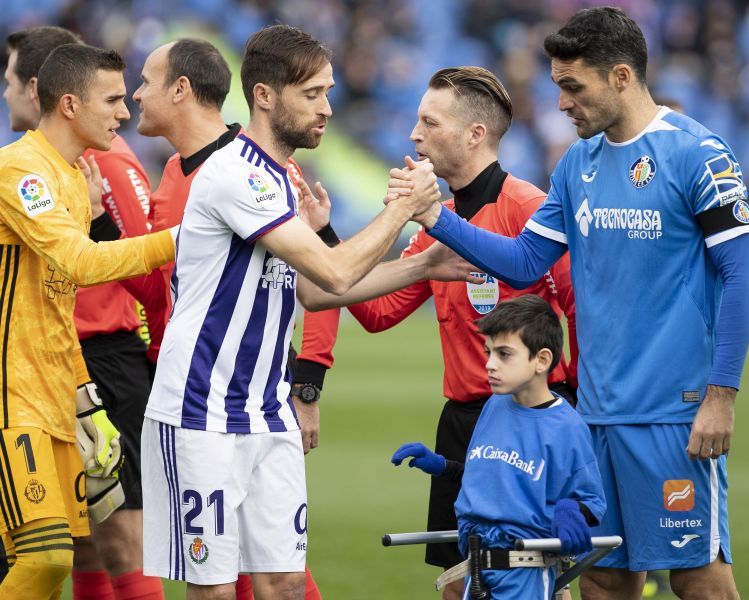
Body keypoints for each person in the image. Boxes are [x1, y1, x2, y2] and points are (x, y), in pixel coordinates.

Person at [389, 7, 749, 599]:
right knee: (604, 580)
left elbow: (744, 279)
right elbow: (522, 262)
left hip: (672, 414)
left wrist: (721, 395)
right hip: (590, 416)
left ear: (620, 76)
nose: (561, 101)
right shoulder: (576, 164)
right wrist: (435, 217)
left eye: (572, 86)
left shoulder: (699, 154)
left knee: (698, 579)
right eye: (558, 85)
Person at [139, 24, 443, 599]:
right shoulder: (234, 173)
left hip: (267, 410)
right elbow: (332, 270)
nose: (327, 108)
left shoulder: (281, 177)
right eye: (312, 94)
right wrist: (404, 208)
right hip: (202, 408)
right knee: (216, 589)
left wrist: (424, 268)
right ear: (264, 96)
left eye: (328, 92)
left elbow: (314, 292)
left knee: (283, 583)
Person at [297, 65, 577, 600]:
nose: (413, 134)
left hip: (528, 424)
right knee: (456, 587)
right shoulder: (437, 222)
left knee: (535, 581)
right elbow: (378, 313)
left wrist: (568, 416)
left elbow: (578, 310)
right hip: (461, 426)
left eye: (429, 122)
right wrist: (326, 238)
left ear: (475, 135)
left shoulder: (529, 208)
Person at [131, 36, 333, 600]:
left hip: (257, 399)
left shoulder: (263, 171)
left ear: (180, 89)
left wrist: (307, 379)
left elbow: (316, 278)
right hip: (196, 392)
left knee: (282, 578)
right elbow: (167, 286)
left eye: (146, 80)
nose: (135, 94)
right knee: (224, 580)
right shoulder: (176, 172)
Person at [0, 42, 176, 598]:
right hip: (12, 395)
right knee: (45, 559)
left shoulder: (75, 178)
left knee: (68, 560)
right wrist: (176, 240)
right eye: (114, 100)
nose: (125, 113)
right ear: (71, 105)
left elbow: (58, 306)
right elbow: (77, 262)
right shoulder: (20, 171)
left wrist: (85, 401)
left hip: (56, 394)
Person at [391, 295, 605, 599]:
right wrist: (443, 467)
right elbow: (494, 476)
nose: (489, 365)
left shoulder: (567, 426)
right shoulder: (494, 406)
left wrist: (571, 509)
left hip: (524, 574)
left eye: (504, 354)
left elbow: (592, 499)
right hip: (476, 568)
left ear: (541, 360)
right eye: (488, 352)